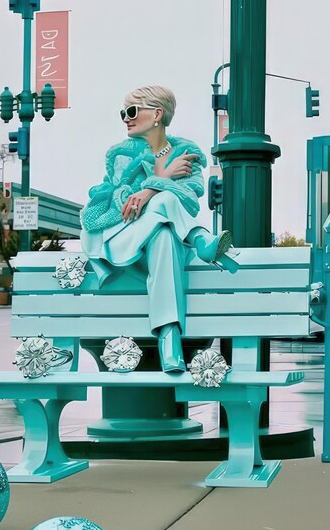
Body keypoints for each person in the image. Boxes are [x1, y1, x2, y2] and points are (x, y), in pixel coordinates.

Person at [80, 85, 239, 373]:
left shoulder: (185, 152)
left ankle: (169, 337)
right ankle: (201, 239)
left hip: (160, 250)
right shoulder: (120, 155)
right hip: (123, 243)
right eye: (122, 113)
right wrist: (161, 180)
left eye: (131, 111)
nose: (125, 118)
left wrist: (151, 191)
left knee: (164, 234)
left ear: (156, 114)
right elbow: (119, 205)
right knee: (165, 198)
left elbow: (190, 200)